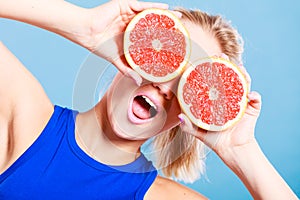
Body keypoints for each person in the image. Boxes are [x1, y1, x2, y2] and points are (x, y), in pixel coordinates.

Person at [0, 0, 297, 199]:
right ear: (133, 52)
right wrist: (83, 25)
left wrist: (241, 152)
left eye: (191, 83)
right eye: (166, 59)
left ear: (196, 112)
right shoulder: (24, 117)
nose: (168, 86)